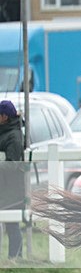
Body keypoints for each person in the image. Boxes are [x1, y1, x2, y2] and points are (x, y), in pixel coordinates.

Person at [0, 100, 24, 259]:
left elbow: (13, 164)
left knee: (12, 226)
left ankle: (15, 258)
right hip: (5, 187)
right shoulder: (6, 132)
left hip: (11, 189)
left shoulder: (14, 137)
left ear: (4, 117)